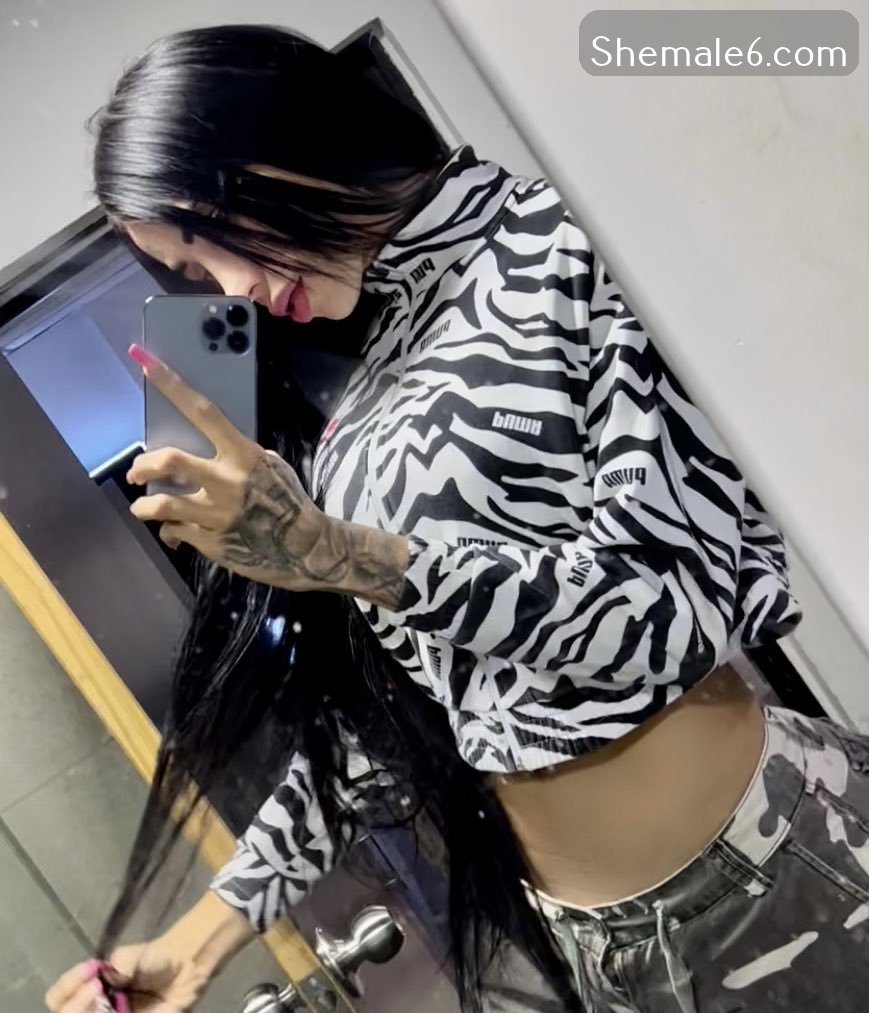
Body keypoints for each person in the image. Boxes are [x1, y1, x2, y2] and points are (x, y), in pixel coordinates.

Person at [45, 24, 869, 1013]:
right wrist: (200, 938)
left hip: (780, 866)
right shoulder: (361, 384)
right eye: (190, 271)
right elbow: (411, 713)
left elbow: (678, 611)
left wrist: (338, 552)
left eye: (211, 235)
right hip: (604, 943)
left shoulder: (551, 242)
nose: (232, 288)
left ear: (276, 141)